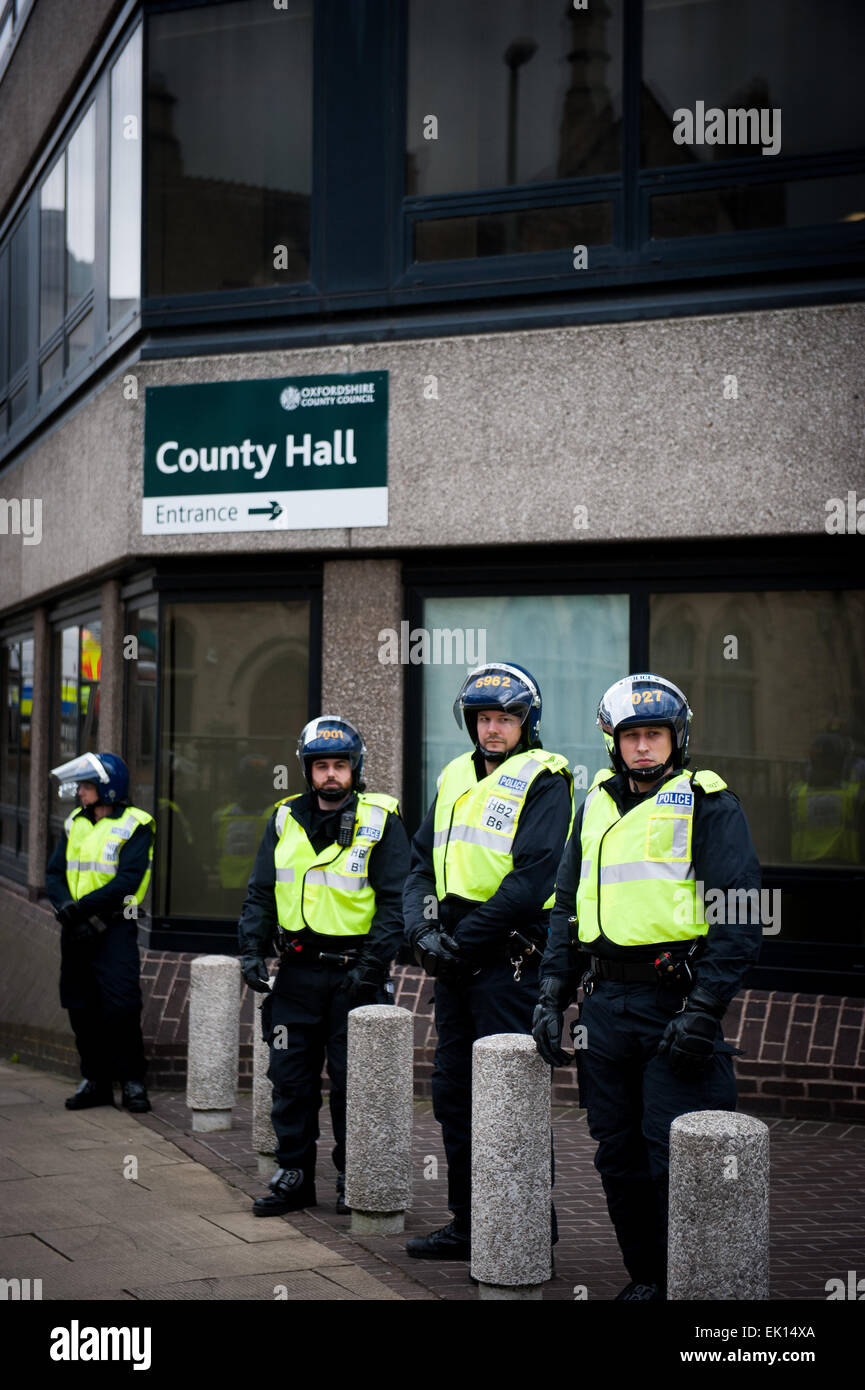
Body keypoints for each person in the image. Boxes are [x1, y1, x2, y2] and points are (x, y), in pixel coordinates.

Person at [533, 672, 762, 1301]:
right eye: (632, 736)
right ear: (613, 742)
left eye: (655, 735)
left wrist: (706, 1009)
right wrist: (553, 989)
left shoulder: (707, 800)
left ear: (676, 738)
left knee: (677, 1155)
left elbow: (741, 915)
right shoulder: (596, 804)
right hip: (605, 1004)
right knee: (618, 1154)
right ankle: (648, 1279)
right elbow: (565, 906)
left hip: (674, 1004)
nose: (643, 748)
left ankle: (698, 1289)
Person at [403, 662, 573, 1259]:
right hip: (452, 962)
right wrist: (420, 930)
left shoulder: (546, 779)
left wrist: (460, 941)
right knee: (454, 1095)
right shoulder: (453, 774)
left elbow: (531, 881)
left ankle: (526, 1230)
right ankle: (470, 1223)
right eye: (484, 718)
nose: (493, 729)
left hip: (507, 965)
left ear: (526, 723)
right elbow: (419, 863)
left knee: (510, 1101)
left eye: (505, 718)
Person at [238, 716, 409, 1216]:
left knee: (354, 1084)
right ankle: (294, 1175)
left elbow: (396, 903)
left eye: (339, 765)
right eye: (320, 767)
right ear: (306, 771)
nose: (330, 775)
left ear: (355, 768)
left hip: (357, 973)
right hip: (296, 974)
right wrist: (250, 950)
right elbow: (260, 892)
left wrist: (372, 969)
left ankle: (350, 1177)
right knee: (289, 1077)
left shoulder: (381, 818)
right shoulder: (283, 818)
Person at [45, 752, 155, 1113]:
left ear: (107, 788)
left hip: (114, 928)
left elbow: (128, 881)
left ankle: (133, 1082)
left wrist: (82, 909)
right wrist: (65, 908)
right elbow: (55, 873)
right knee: (80, 1005)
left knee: (121, 1006)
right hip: (76, 930)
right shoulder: (75, 822)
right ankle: (96, 1081)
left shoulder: (137, 824)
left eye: (87, 786)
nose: (80, 793)